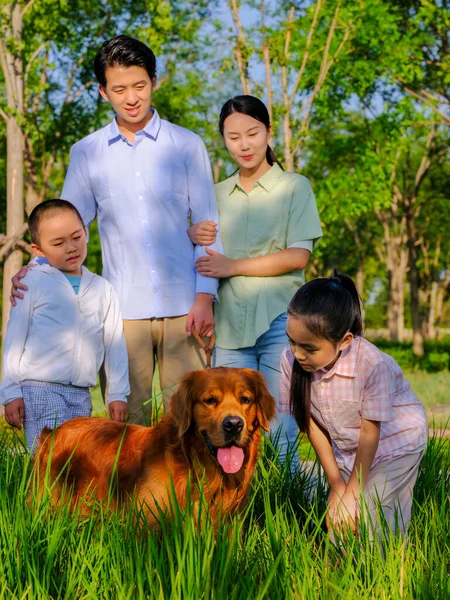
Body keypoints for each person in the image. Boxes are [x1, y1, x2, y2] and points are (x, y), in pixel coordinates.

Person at [10, 35, 223, 424]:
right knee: (128, 429)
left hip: (186, 309)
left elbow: (210, 226)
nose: (131, 98)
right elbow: (66, 226)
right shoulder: (87, 152)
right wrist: (36, 265)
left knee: (193, 425)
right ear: (103, 91)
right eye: (119, 89)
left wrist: (205, 298)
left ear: (154, 81)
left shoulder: (187, 145)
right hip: (121, 313)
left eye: (139, 85)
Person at [190, 95, 322, 468]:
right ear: (223, 139)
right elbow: (200, 253)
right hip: (229, 327)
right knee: (228, 427)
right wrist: (191, 231)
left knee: (278, 426)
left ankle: (284, 508)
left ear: (268, 131)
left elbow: (298, 256)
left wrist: (232, 265)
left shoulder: (294, 187)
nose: (244, 145)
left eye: (252, 133)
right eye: (233, 137)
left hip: (282, 321)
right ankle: (239, 513)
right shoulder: (214, 195)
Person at [279, 272, 428, 537]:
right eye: (292, 341)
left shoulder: (371, 364)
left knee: (372, 516)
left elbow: (370, 433)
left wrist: (353, 491)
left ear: (345, 340)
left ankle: (389, 571)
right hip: (349, 448)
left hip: (395, 444)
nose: (297, 354)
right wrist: (337, 485)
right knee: (341, 522)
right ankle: (339, 572)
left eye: (309, 348)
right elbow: (310, 424)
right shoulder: (290, 361)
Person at [1, 200, 129, 450]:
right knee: (47, 461)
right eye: (58, 243)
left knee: (77, 461)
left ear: (85, 232)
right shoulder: (32, 283)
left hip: (81, 394)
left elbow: (115, 344)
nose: (71, 248)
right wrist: (10, 392)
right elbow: (14, 340)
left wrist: (117, 394)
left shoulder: (102, 288)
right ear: (38, 251)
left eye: (76, 237)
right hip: (39, 390)